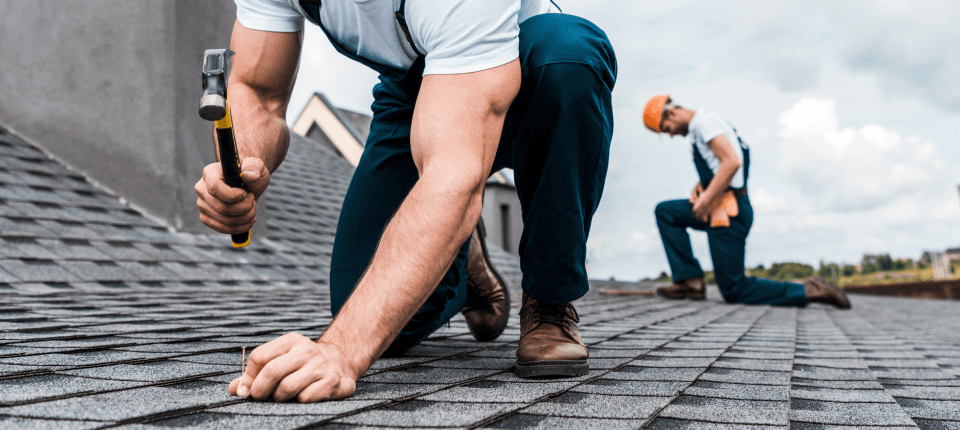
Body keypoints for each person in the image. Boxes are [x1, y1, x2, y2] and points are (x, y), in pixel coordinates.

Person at [194, 0, 616, 403]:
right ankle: (462, 259)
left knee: (568, 58)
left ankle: (550, 300)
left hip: (529, 67)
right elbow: (258, 91)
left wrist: (340, 351)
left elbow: (453, 175)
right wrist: (245, 167)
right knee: (373, 314)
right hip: (413, 88)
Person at [642, 95, 849, 309]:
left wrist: (704, 201)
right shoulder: (705, 124)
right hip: (719, 207)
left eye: (666, 128)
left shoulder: (703, 124)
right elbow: (726, 161)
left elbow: (732, 162)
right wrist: (702, 185)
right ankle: (689, 281)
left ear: (672, 113)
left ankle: (809, 290)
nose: (671, 134)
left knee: (734, 289)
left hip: (729, 214)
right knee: (667, 212)